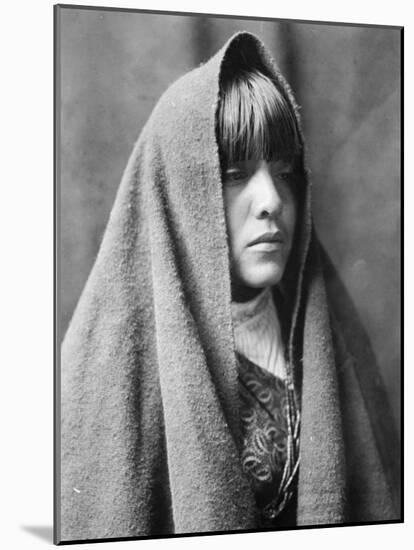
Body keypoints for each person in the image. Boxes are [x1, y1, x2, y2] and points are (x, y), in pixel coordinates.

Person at [59, 31, 400, 542]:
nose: (271, 201)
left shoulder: (324, 334)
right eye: (236, 173)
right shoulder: (108, 363)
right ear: (179, 193)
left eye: (285, 173)